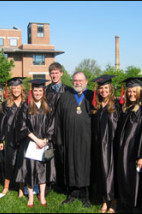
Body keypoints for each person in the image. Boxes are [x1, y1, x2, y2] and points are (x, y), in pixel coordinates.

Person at [14, 79, 55, 208]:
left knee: (43, 170)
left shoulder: (48, 107)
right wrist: (36, 140)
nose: (38, 93)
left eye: (40, 90)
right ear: (32, 92)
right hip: (30, 144)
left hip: (44, 143)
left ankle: (42, 195)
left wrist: (45, 140)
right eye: (35, 90)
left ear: (43, 92)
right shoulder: (25, 107)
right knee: (30, 170)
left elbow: (52, 126)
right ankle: (31, 196)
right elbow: (22, 126)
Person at [55, 71, 94, 208]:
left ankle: (86, 196)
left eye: (80, 80)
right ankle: (72, 194)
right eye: (75, 80)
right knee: (70, 166)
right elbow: (58, 119)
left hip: (87, 141)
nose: (78, 83)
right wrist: (59, 140)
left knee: (85, 167)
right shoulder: (65, 96)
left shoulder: (92, 96)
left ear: (86, 81)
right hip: (69, 140)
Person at [114, 77, 142, 212]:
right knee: (122, 176)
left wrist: (141, 155)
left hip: (133, 150)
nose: (131, 94)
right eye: (129, 91)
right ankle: (123, 203)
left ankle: (134, 206)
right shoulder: (123, 107)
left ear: (139, 91)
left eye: (134, 91)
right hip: (121, 149)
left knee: (133, 179)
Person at [91, 75, 120, 213]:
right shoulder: (96, 106)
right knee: (101, 172)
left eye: (106, 88)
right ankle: (104, 201)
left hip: (111, 145)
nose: (103, 91)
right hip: (98, 145)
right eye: (101, 88)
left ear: (111, 89)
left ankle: (113, 202)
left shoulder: (116, 105)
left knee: (111, 174)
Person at [45, 62, 71, 193]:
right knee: (49, 154)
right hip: (49, 127)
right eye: (52, 73)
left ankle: (62, 182)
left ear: (61, 73)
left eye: (56, 73)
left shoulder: (68, 91)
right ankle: (49, 182)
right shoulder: (46, 90)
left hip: (63, 127)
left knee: (62, 154)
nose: (54, 75)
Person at [0, 77, 26, 197]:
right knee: (8, 162)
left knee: (22, 163)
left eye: (18, 87)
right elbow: (2, 123)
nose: (16, 90)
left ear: (22, 89)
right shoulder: (6, 104)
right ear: (11, 90)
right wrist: (1, 139)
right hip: (10, 137)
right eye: (14, 88)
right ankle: (6, 186)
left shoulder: (26, 104)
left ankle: (21, 188)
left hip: (23, 138)